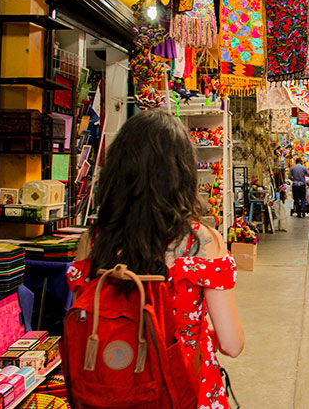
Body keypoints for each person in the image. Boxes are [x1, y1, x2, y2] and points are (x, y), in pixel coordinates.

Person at [67, 109, 244, 409]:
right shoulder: (201, 242)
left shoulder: (94, 241)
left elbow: (83, 321)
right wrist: (200, 334)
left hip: (110, 387)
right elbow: (232, 344)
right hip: (183, 391)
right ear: (182, 173)